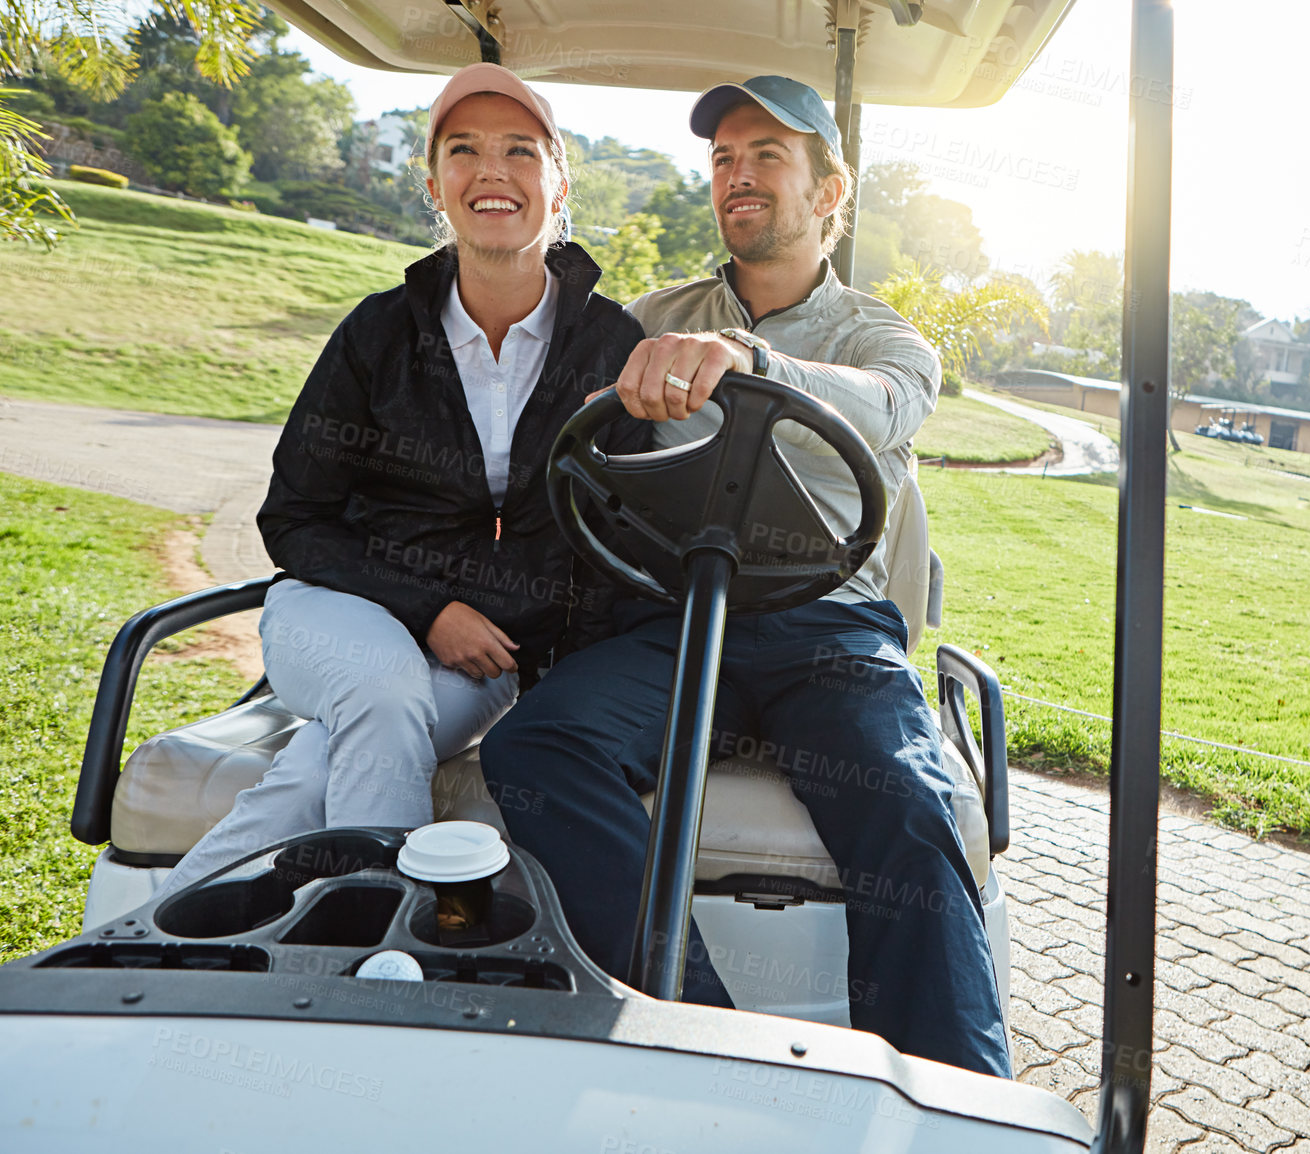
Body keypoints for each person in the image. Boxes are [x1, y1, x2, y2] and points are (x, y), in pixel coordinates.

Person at [480, 75, 1010, 1078]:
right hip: (685, 620)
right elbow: (558, 423)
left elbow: (886, 402)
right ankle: (695, 1036)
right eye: (724, 158)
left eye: (768, 154)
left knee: (905, 793)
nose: (738, 175)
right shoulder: (648, 316)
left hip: (831, 634)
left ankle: (953, 1093)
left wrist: (745, 358)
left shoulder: (879, 335)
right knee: (540, 747)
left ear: (829, 190)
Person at [158, 63, 646, 897]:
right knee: (381, 690)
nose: (491, 171)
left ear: (558, 181)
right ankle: (378, 939)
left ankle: (144, 940)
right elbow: (294, 519)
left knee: (310, 778)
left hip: (484, 659)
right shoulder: (378, 333)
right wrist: (429, 608)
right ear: (435, 184)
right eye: (464, 151)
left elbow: (618, 537)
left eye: (519, 151)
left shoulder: (611, 343)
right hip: (339, 607)